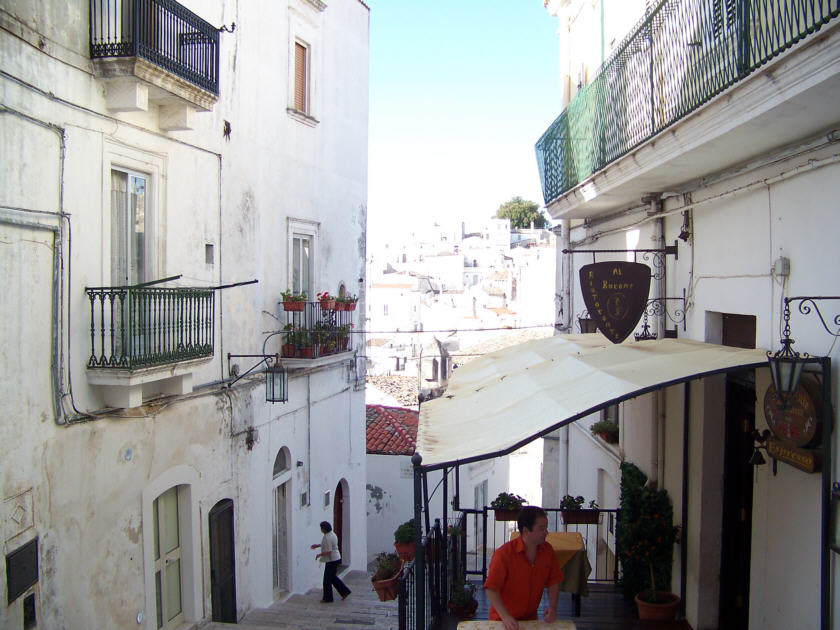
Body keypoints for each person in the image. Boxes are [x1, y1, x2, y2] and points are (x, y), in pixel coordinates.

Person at [483, 506, 563, 630]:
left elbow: (554, 581)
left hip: (530, 619)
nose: (546, 533)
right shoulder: (504, 554)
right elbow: (491, 588)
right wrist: (505, 617)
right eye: (541, 529)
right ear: (526, 531)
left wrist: (552, 607)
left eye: (546, 528)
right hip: (502, 621)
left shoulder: (548, 551)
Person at [310, 521, 351, 602]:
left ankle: (328, 598)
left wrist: (320, 555)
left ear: (324, 529)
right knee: (332, 578)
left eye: (321, 528)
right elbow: (329, 545)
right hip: (336, 558)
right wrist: (318, 545)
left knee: (327, 580)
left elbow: (329, 551)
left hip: (331, 560)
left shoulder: (327, 537)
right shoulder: (332, 534)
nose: (321, 530)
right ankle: (344, 592)